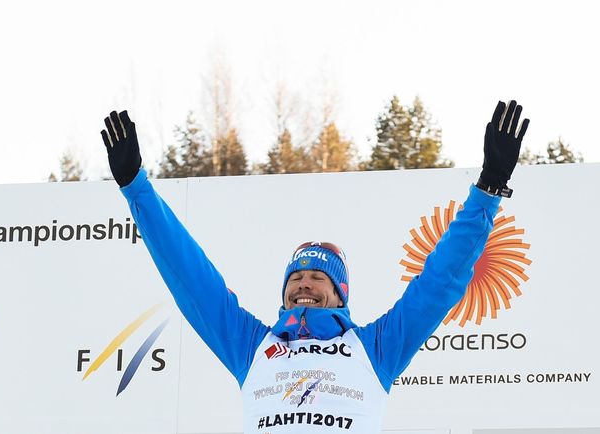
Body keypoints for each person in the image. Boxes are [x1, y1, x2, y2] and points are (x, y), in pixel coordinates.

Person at [100, 100, 529, 433]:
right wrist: (137, 187)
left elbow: (439, 281)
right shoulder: (251, 346)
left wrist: (489, 189)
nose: (304, 284)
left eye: (318, 277)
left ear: (340, 294)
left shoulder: (375, 348)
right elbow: (191, 278)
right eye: (297, 277)